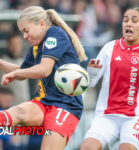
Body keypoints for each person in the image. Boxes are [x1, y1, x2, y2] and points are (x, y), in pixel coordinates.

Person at [0, 6, 87, 150]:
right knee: (17, 112)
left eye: (26, 31)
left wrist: (15, 74)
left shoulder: (54, 34)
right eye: (22, 32)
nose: (25, 37)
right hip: (43, 103)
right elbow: (24, 71)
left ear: (41, 24)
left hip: (65, 106)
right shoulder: (37, 46)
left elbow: (44, 70)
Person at [80, 7, 139, 150]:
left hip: (137, 116)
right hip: (107, 114)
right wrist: (91, 73)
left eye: (134, 21)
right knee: (88, 146)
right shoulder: (109, 48)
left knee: (126, 148)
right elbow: (90, 83)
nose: (128, 24)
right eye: (125, 20)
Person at [0, 32, 30, 105]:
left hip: (25, 103)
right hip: (7, 106)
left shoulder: (26, 62)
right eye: (13, 44)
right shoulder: (3, 62)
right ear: (8, 45)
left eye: (18, 44)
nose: (16, 47)